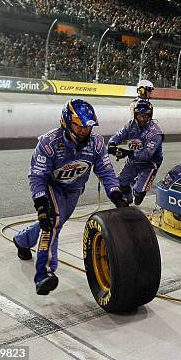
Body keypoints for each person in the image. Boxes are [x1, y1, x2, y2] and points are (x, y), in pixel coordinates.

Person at [13, 99, 128, 295]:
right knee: (52, 222)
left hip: (74, 190)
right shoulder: (48, 143)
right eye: (80, 126)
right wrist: (41, 203)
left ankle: (22, 240)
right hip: (51, 186)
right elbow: (37, 176)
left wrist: (116, 194)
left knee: (55, 222)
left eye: (88, 127)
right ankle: (44, 274)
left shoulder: (97, 142)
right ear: (66, 122)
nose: (85, 131)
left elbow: (106, 171)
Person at [107, 99, 163, 206]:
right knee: (121, 182)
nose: (142, 119)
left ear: (150, 115)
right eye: (139, 116)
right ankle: (127, 199)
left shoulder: (155, 133)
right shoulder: (130, 125)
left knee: (138, 195)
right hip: (132, 161)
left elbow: (147, 155)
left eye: (145, 116)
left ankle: (139, 190)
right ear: (135, 114)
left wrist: (128, 153)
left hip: (149, 164)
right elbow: (119, 135)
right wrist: (112, 144)